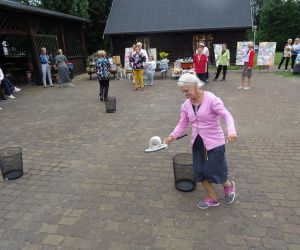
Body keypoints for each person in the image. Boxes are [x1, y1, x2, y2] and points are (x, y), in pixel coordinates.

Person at [164, 73, 237, 209]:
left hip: (215, 141)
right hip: (197, 142)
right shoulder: (186, 105)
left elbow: (226, 115)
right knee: (199, 171)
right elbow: (182, 123)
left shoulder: (212, 99)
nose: (185, 94)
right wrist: (172, 136)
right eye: (183, 92)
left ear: (196, 86)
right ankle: (213, 198)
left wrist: (231, 131)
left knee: (213, 171)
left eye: (187, 91)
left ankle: (228, 185)